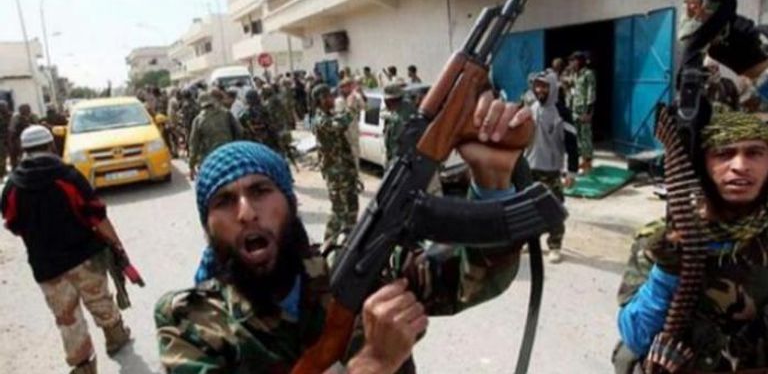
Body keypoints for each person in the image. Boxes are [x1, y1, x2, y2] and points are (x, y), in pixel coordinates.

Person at [155, 86, 530, 371]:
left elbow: (472, 276)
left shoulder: (353, 267)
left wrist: (491, 180)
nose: (246, 212)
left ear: (290, 204)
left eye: (260, 191)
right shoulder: (191, 323)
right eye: (224, 201)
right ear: (207, 225)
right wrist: (372, 363)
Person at [613, 0, 768, 372]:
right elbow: (634, 334)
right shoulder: (664, 237)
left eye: (755, 153)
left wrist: (754, 63)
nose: (740, 166)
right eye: (725, 154)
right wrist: (668, 271)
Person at [1, 125, 132, 374]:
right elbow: (96, 215)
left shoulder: (12, 187)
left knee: (67, 318)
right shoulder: (68, 176)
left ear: (23, 150)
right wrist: (117, 245)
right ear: (51, 145)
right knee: (100, 299)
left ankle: (84, 367)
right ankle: (116, 337)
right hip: (85, 257)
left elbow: (13, 223)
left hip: (46, 265)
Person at [524, 71, 578, 263]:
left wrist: (572, 171)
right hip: (529, 168)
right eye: (537, 85)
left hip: (551, 171)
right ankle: (530, 241)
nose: (539, 90)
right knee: (527, 209)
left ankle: (555, 246)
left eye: (544, 86)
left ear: (553, 88)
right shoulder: (530, 108)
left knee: (553, 210)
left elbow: (572, 144)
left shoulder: (562, 113)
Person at [312, 84, 359, 242]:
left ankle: (350, 241)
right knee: (339, 211)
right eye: (329, 96)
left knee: (352, 206)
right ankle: (327, 244)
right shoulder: (320, 120)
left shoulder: (329, 115)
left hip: (346, 170)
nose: (332, 99)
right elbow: (340, 123)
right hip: (335, 174)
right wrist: (351, 107)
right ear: (321, 99)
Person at [188, 93, 243, 180]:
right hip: (229, 152)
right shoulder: (226, 113)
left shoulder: (198, 120)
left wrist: (191, 166)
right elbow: (240, 131)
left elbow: (194, 144)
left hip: (211, 158)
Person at [568, 51, 597, 174]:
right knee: (577, 137)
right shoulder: (575, 75)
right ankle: (583, 160)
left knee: (585, 136)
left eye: (573, 61)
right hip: (575, 110)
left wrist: (589, 112)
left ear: (579, 61)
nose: (571, 63)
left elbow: (591, 93)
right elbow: (572, 91)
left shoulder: (588, 74)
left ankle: (588, 162)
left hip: (584, 110)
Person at [335, 77, 366, 169]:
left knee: (355, 157)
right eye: (347, 86)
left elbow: (364, 107)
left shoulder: (355, 98)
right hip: (345, 135)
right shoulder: (339, 101)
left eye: (351, 86)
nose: (350, 88)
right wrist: (350, 105)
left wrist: (360, 95)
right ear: (342, 88)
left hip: (354, 133)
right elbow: (341, 118)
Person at [383, 84, 417, 167]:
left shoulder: (404, 115)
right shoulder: (397, 110)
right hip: (394, 155)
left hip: (400, 158)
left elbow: (400, 141)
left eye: (387, 101)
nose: (386, 103)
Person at [8, 103, 38, 170]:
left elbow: (38, 127)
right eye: (23, 111)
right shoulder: (16, 117)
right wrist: (10, 143)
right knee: (17, 153)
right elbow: (11, 130)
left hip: (32, 136)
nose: (25, 112)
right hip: (19, 137)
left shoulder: (33, 116)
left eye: (27, 110)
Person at [0, 101, 11, 179]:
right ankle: (2, 172)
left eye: (4, 107)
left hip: (11, 138)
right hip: (2, 139)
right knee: (2, 156)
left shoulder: (11, 116)